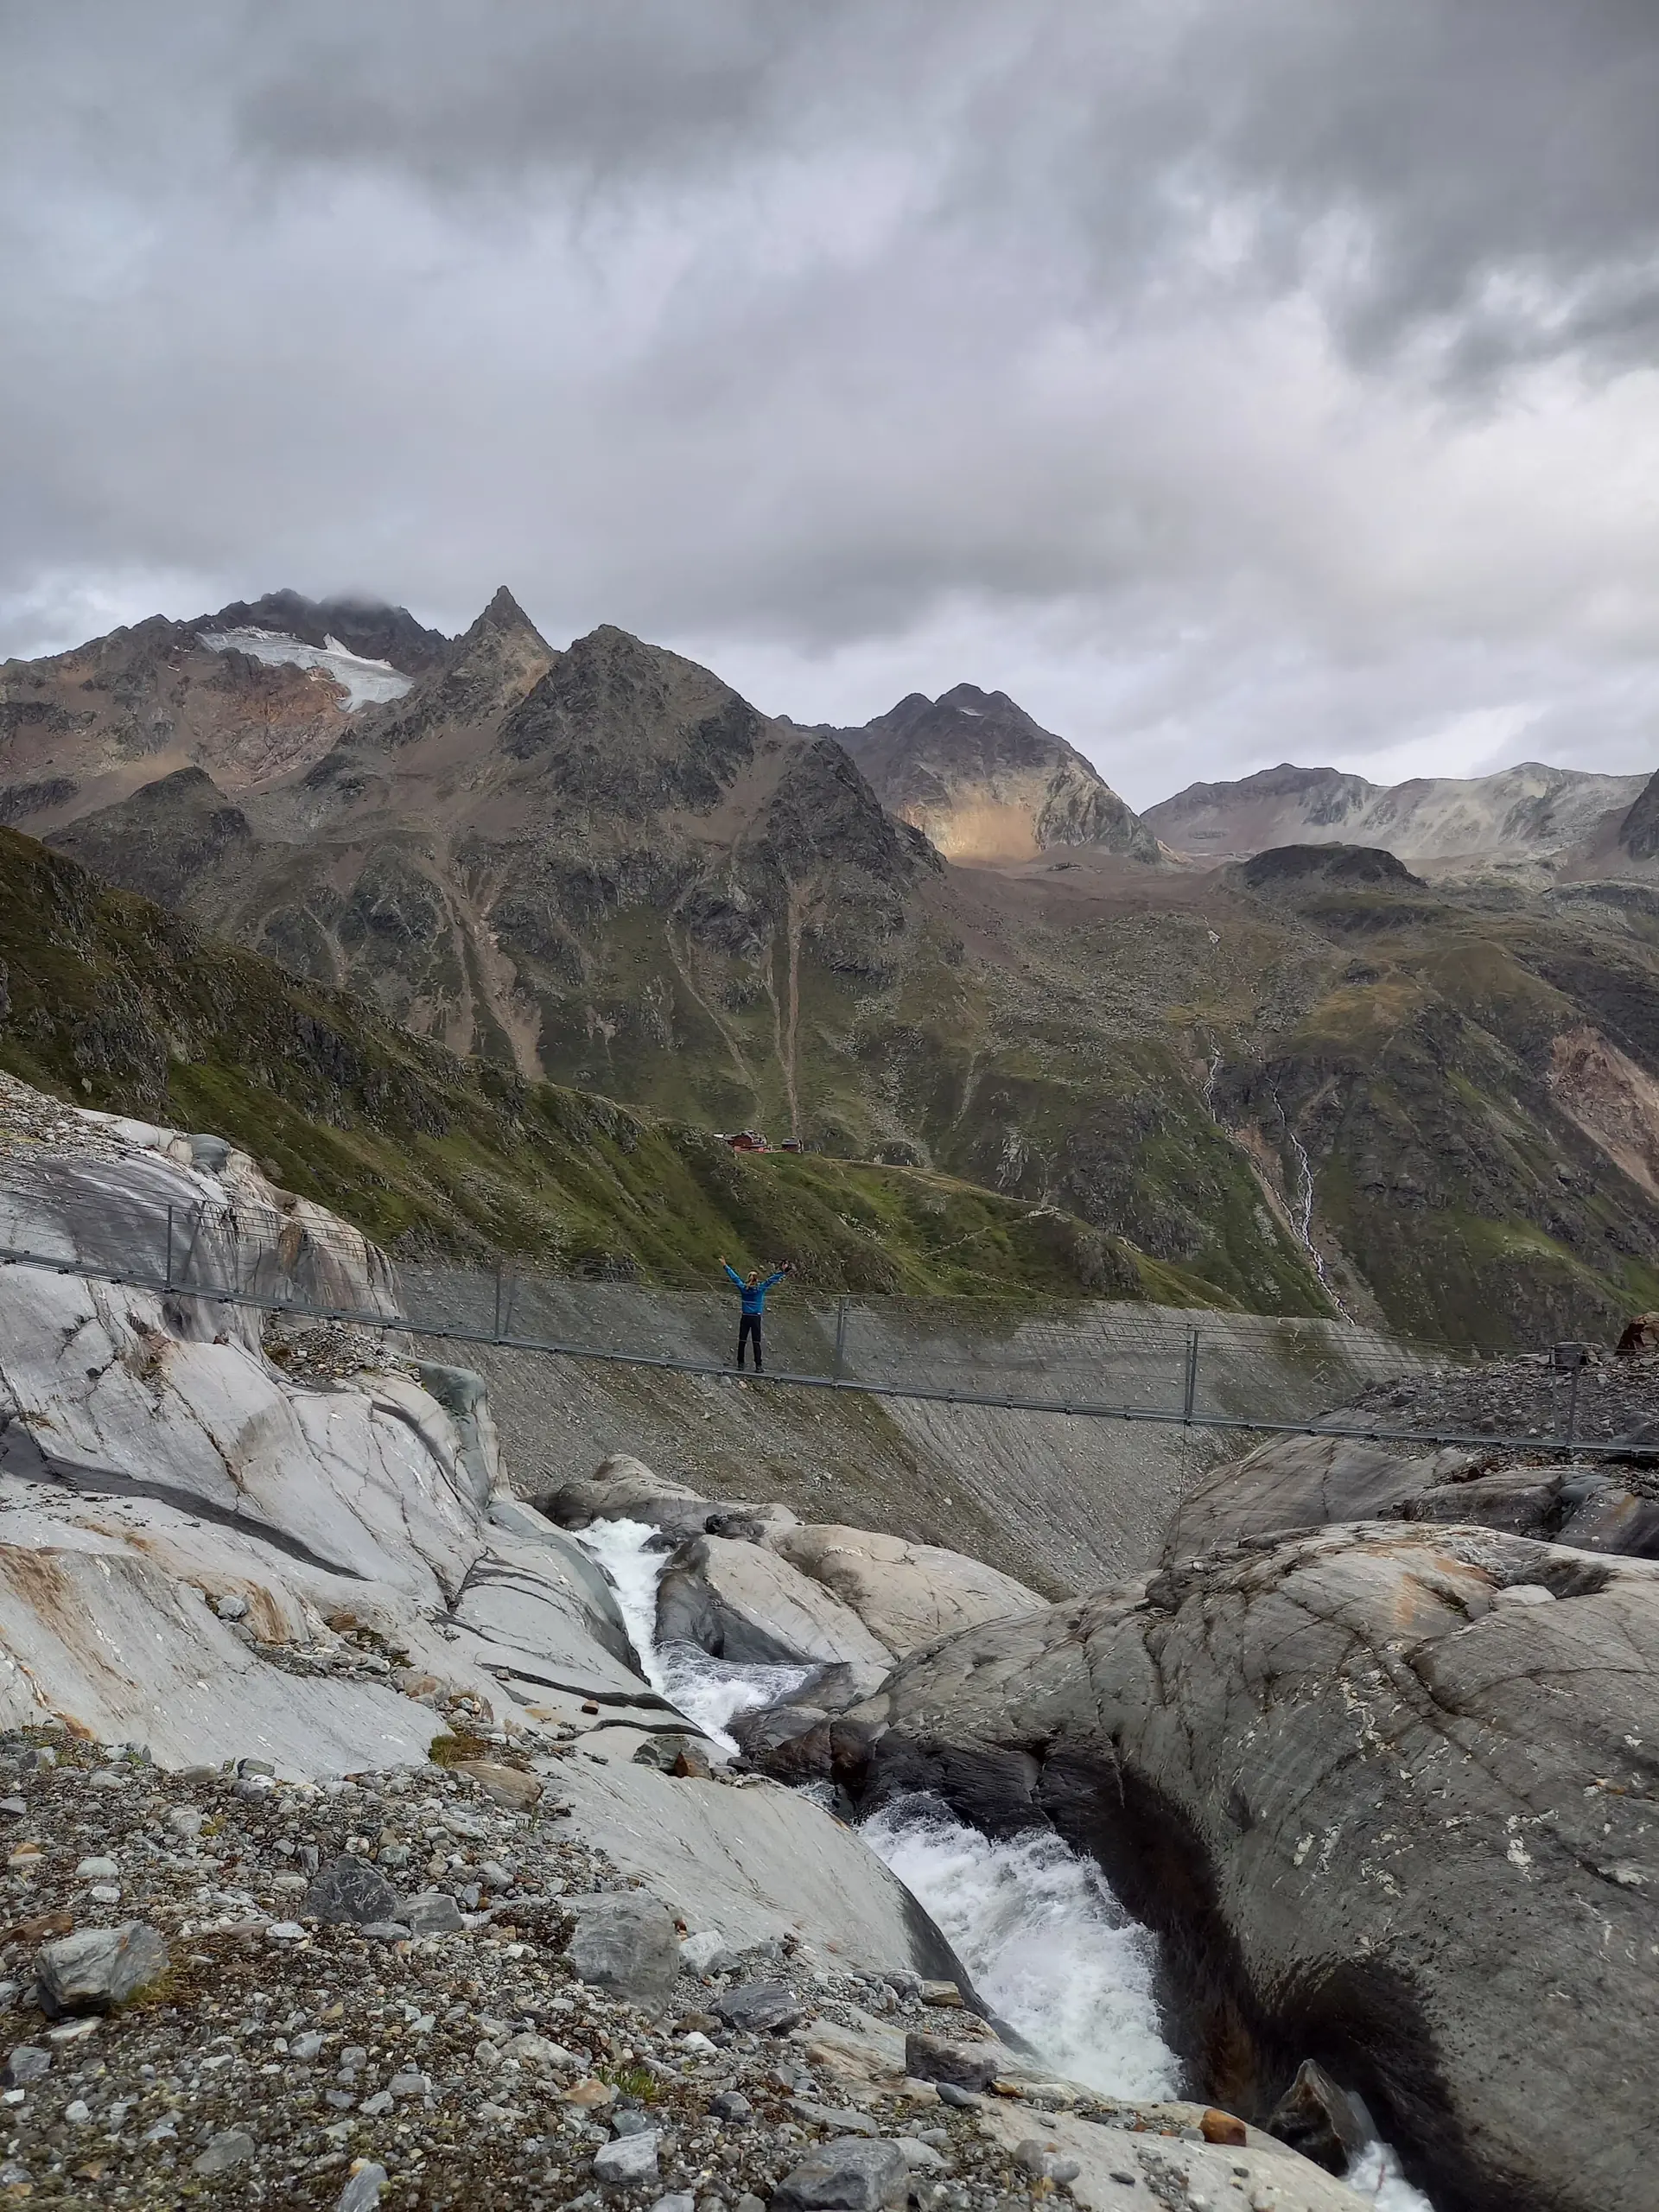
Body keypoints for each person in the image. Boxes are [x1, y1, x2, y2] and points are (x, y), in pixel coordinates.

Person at [719, 1254, 791, 1371]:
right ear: (757, 1280)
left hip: (745, 1316)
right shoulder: (760, 1289)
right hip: (756, 1318)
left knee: (742, 1340)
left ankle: (740, 1364)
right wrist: (782, 1272)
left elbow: (735, 1278)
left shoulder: (744, 1288)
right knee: (756, 1341)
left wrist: (725, 1266)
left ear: (748, 1279)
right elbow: (770, 1281)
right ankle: (758, 1366)